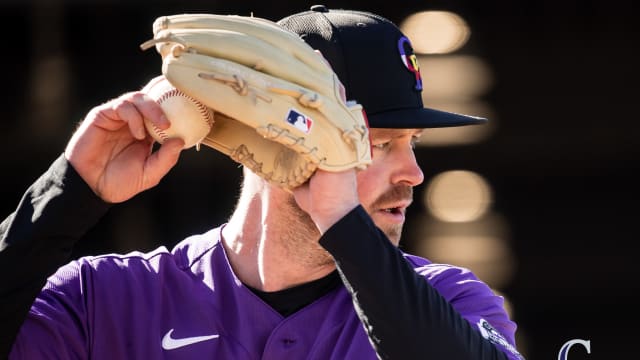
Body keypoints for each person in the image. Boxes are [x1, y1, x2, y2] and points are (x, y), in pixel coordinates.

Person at [0, 5, 524, 359]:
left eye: (414, 144)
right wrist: (66, 194)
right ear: (279, 138)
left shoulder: (449, 301)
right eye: (381, 144)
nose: (413, 173)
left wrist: (341, 220)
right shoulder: (102, 300)